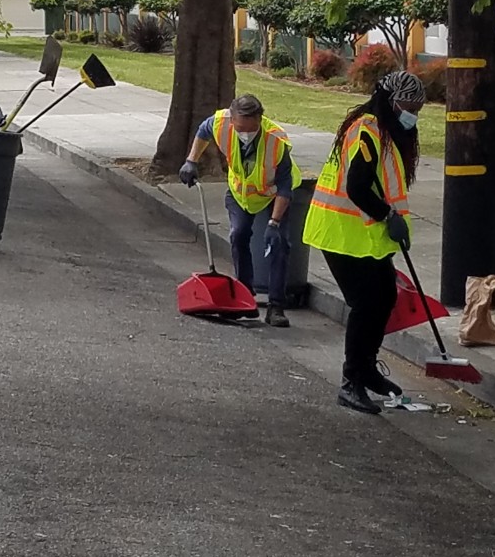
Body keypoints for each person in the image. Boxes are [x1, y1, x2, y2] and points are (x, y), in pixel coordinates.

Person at [302, 70, 426, 414]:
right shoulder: (367, 130)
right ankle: (351, 381)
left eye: (417, 107)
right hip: (340, 231)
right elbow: (356, 187)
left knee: (384, 297)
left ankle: (367, 370)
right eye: (407, 105)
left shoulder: (384, 130)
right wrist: (389, 216)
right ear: (388, 100)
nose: (412, 113)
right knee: (365, 305)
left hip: (362, 234)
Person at [178, 94, 302, 327]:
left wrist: (274, 223)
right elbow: (203, 131)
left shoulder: (276, 141)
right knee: (239, 235)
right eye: (240, 128)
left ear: (260, 120)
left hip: (272, 196)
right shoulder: (220, 123)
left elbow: (285, 188)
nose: (245, 133)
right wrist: (191, 160)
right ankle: (245, 299)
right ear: (232, 120)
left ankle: (276, 306)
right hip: (240, 194)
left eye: (251, 128)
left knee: (278, 245)